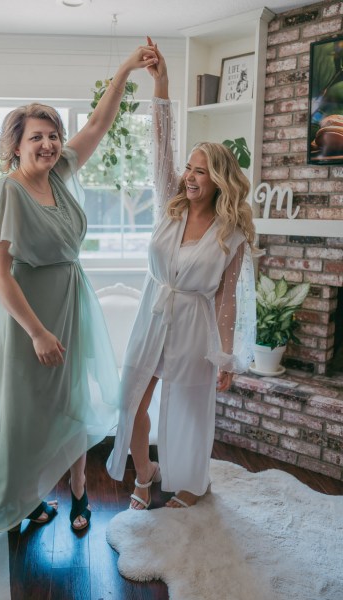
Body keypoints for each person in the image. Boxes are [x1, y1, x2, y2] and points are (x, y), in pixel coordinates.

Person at [0, 43, 159, 533]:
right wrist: (37, 333)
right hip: (31, 319)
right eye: (36, 138)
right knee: (23, 416)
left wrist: (127, 69)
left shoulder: (61, 174)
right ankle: (21, 500)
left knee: (71, 405)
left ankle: (78, 492)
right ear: (16, 146)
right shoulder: (8, 190)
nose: (47, 144)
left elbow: (97, 126)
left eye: (52, 136)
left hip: (71, 303)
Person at [106, 38, 256, 510]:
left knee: (190, 410)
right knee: (131, 401)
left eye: (202, 172)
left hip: (195, 325)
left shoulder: (231, 234)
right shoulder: (169, 205)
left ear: (220, 180)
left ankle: (191, 481)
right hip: (153, 315)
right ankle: (145, 473)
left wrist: (225, 354)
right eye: (188, 169)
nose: (190, 178)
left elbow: (227, 298)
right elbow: (161, 142)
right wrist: (162, 84)